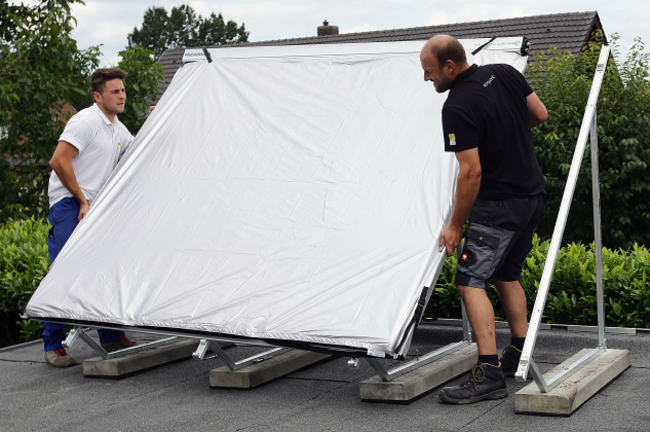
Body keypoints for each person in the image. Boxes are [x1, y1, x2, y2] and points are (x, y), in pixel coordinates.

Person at [420, 35, 549, 404]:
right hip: (532, 197)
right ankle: (519, 351)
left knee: (470, 281)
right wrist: (509, 143)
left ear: (449, 66)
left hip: (498, 205)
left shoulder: (457, 106)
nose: (427, 79)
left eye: (429, 72)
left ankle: (489, 372)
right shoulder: (504, 73)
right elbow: (539, 114)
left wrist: (455, 226)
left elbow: (471, 173)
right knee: (507, 274)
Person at [43, 68, 138, 367]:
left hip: (95, 207)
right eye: (115, 92)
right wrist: (82, 200)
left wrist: (156, 118)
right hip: (70, 204)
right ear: (98, 96)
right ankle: (53, 346)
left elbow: (142, 151)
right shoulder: (86, 121)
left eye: (122, 90)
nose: (121, 96)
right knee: (65, 270)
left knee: (106, 268)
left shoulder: (117, 128)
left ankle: (112, 337)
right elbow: (58, 160)